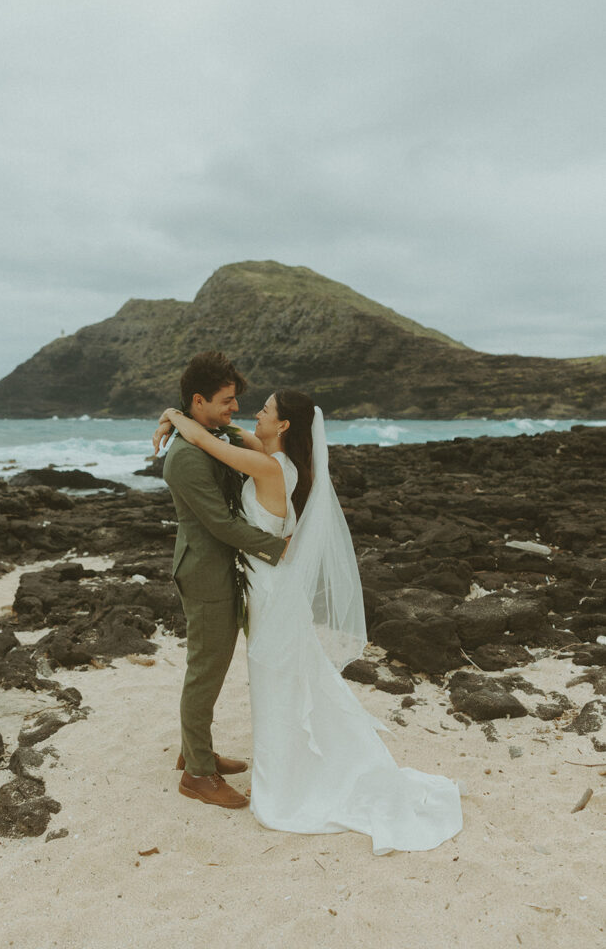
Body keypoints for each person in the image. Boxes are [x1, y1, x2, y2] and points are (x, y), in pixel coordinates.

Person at [156, 384, 463, 854]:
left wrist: (175, 419)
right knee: (286, 678)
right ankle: (270, 762)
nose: (253, 413)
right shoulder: (277, 458)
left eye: (264, 410)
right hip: (267, 587)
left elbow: (207, 442)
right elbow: (232, 432)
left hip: (270, 592)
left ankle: (289, 779)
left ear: (282, 425)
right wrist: (179, 414)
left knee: (278, 680)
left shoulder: (266, 464)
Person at [160, 352, 288, 809]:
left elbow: (234, 442)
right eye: (227, 401)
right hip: (206, 572)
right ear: (200, 401)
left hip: (221, 567)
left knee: (210, 665)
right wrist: (279, 548)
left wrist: (172, 415)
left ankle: (195, 752)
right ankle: (197, 774)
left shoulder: (217, 433)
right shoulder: (185, 459)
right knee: (205, 671)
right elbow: (219, 523)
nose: (236, 408)